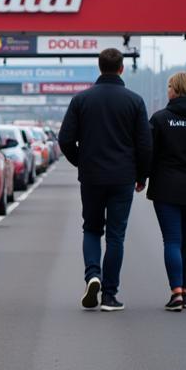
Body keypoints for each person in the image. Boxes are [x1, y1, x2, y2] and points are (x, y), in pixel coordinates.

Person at [58, 48, 151, 311]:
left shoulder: (81, 100)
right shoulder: (135, 101)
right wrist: (142, 175)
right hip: (123, 177)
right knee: (116, 236)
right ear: (121, 68)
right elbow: (145, 145)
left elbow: (65, 139)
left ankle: (92, 276)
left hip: (92, 176)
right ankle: (110, 295)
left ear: (100, 68)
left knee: (91, 228)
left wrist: (81, 161)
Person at [146, 71, 186, 310]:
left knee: (172, 240)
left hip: (166, 188)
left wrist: (141, 177)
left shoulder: (160, 119)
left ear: (174, 89)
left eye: (169, 86)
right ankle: (185, 291)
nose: (168, 90)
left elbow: (148, 153)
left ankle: (175, 293)